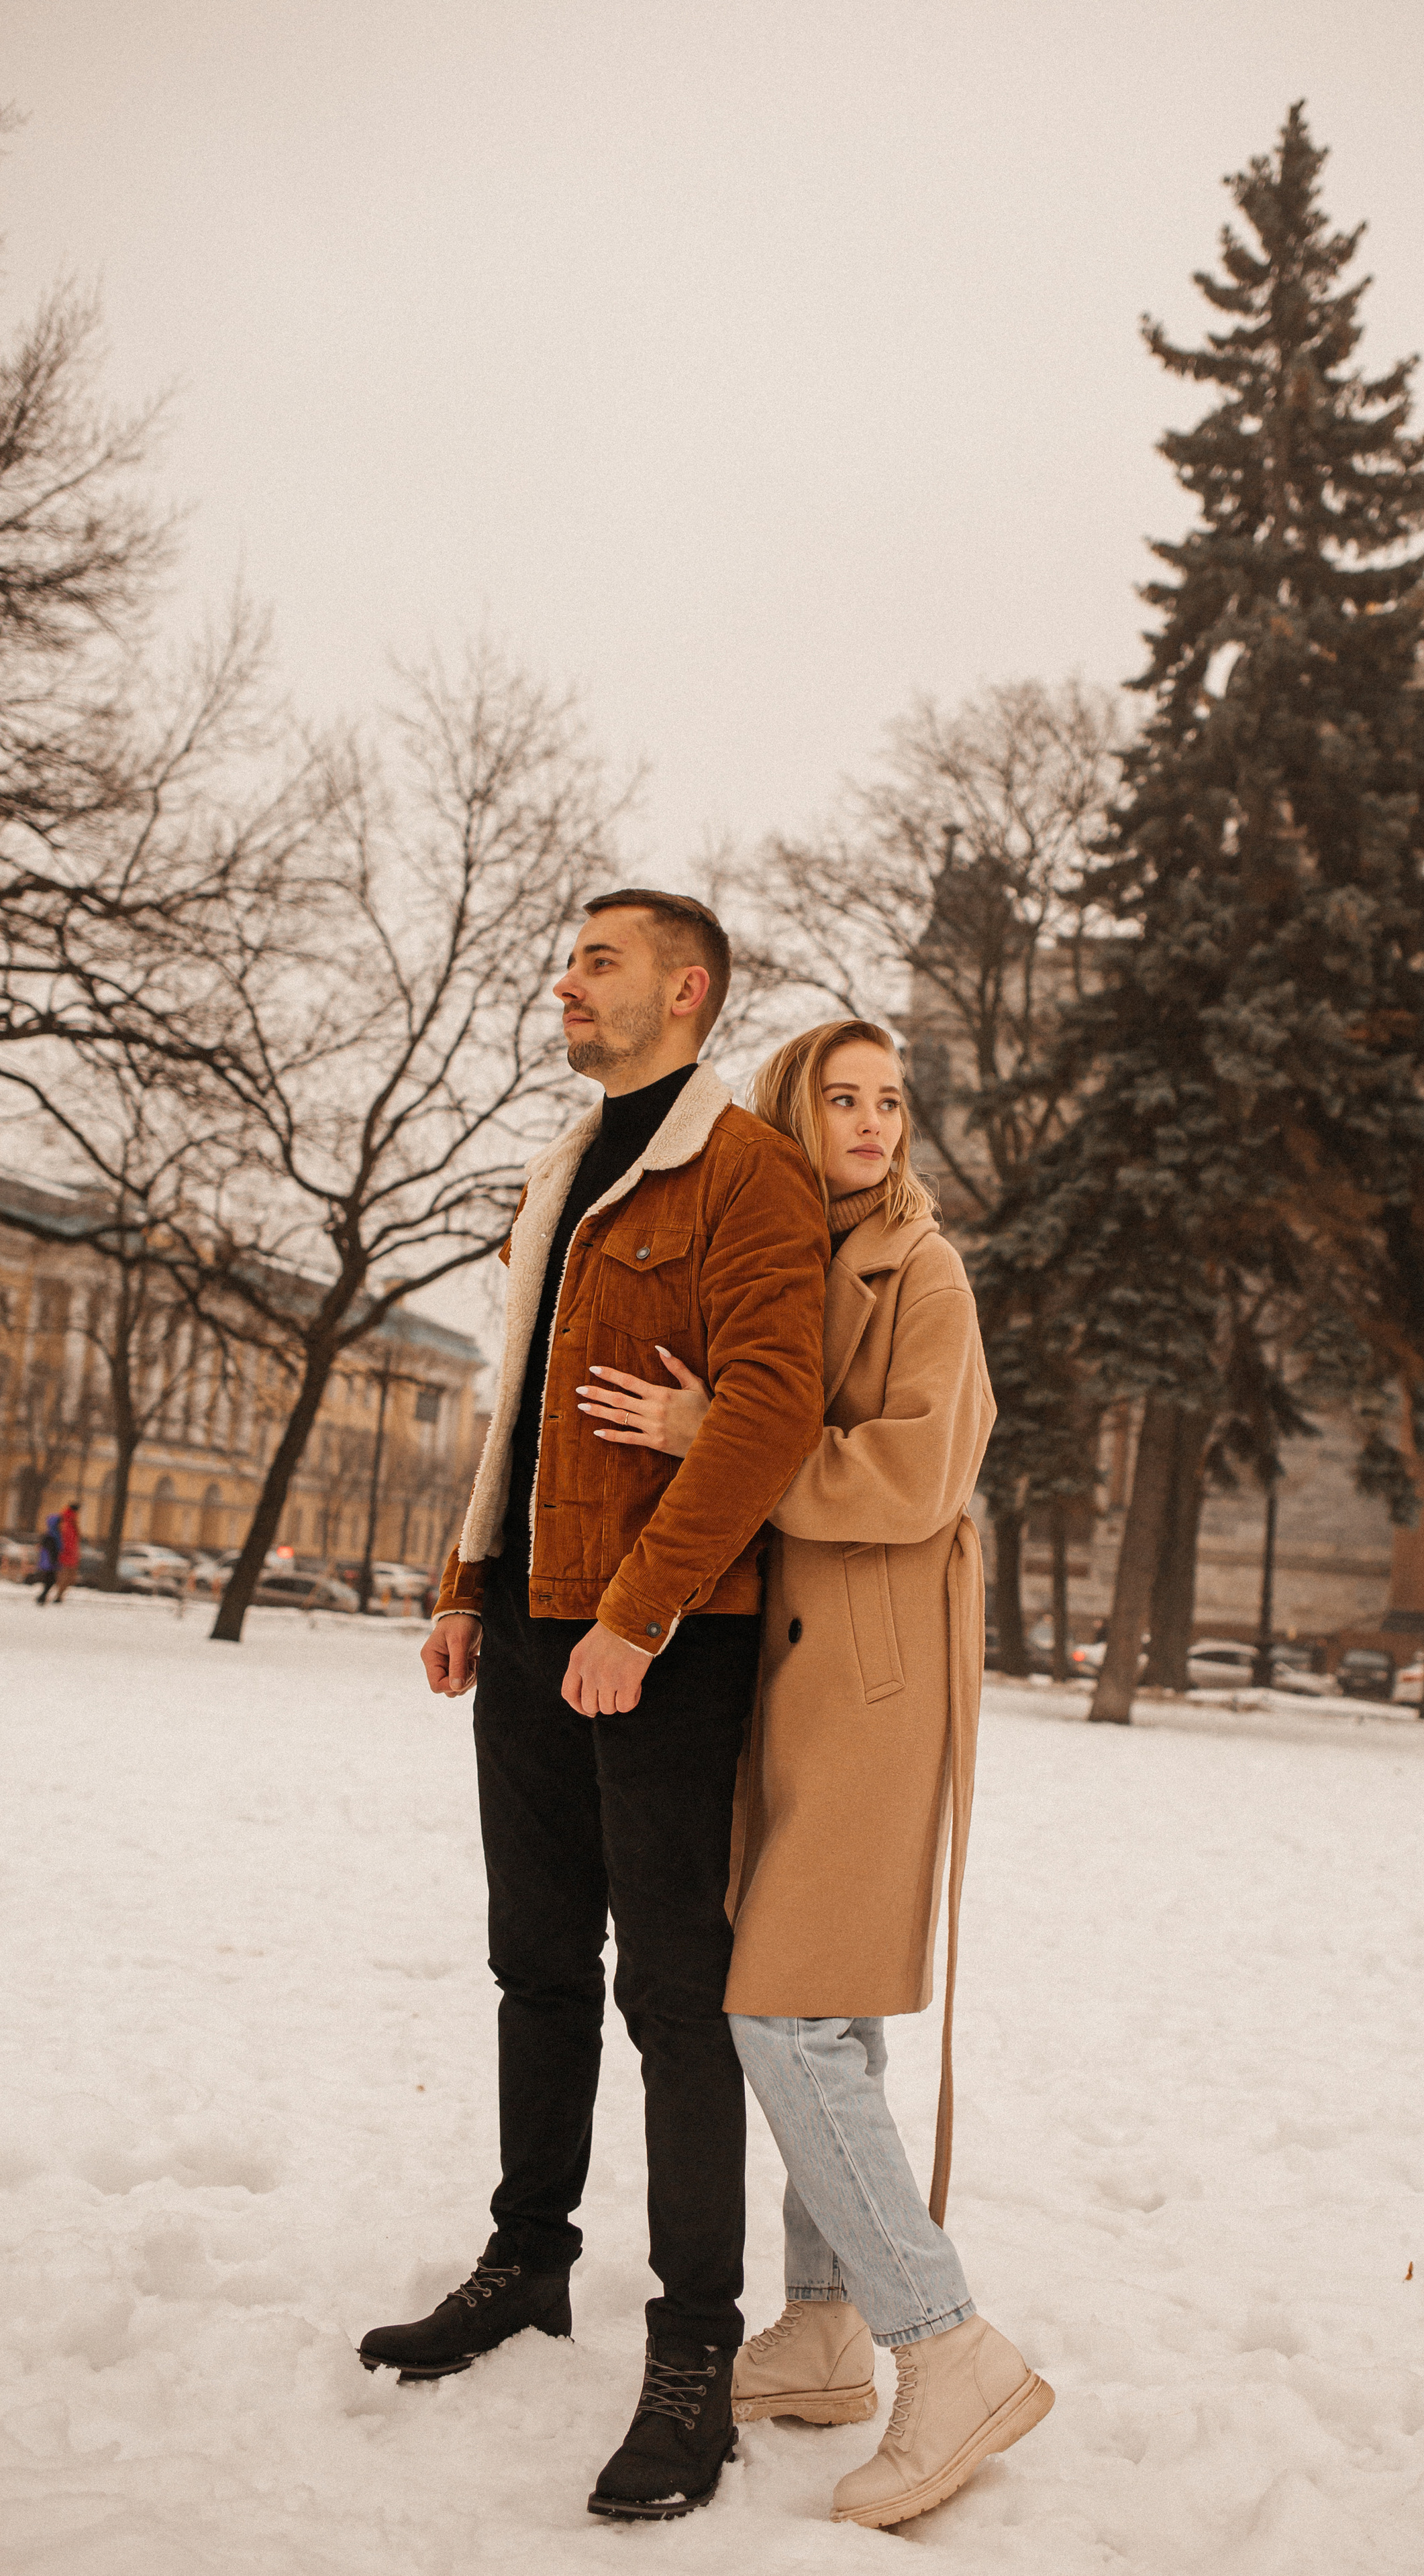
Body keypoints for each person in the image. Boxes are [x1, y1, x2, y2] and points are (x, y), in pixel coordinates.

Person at [358, 891, 829, 2526]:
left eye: (597, 961)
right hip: (530, 1618)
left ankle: (693, 2348)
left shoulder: (746, 1172)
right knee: (536, 1962)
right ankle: (526, 2258)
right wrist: (464, 1580)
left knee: (673, 1995)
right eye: (570, 961)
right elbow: (525, 1407)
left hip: (664, 1636)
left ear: (685, 990)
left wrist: (639, 1612)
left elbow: (769, 1408)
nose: (566, 982)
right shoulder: (566, 1165)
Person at [578, 1017, 1053, 2531]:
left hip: (875, 1675)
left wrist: (722, 1432)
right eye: (841, 1098)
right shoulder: (792, 1249)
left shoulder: (922, 1269)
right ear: (794, 1112)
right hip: (790, 1675)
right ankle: (825, 2327)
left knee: (777, 2011)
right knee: (826, 2006)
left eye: (890, 1101)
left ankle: (945, 2343)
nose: (871, 1123)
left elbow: (918, 1475)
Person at [52, 1499, 81, 1601]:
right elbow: (68, 1540)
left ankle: (59, 1595)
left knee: (67, 1576)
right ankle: (59, 1595)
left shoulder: (67, 1520)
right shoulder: (68, 1522)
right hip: (68, 1553)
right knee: (67, 1575)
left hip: (68, 1553)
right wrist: (72, 1552)